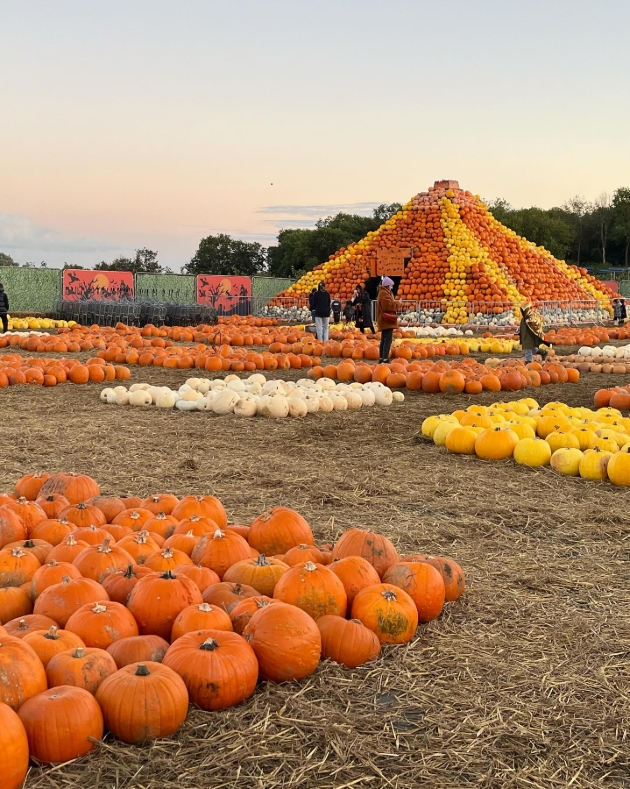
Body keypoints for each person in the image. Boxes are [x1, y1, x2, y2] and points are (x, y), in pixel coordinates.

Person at [377, 277, 401, 363]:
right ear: (387, 285)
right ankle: (385, 358)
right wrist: (398, 303)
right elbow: (388, 306)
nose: (392, 287)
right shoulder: (384, 294)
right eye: (391, 285)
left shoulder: (384, 293)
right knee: (387, 339)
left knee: (384, 339)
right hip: (386, 321)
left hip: (384, 321)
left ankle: (382, 358)